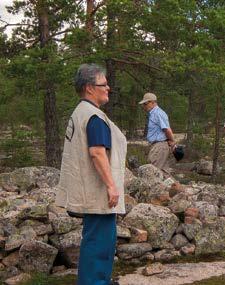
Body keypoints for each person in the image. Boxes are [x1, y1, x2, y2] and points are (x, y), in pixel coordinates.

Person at [57, 63, 127, 284]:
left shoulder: (80, 113)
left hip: (88, 190)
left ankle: (99, 280)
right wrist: (111, 185)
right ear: (89, 88)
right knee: (100, 243)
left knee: (94, 240)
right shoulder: (93, 117)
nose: (108, 88)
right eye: (103, 84)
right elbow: (97, 153)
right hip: (98, 193)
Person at [139, 92, 176, 174]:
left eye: (145, 104)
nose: (144, 106)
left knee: (154, 172)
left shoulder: (158, 113)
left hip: (159, 146)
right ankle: (172, 186)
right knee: (162, 172)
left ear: (152, 102)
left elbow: (167, 129)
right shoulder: (154, 113)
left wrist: (172, 141)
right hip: (157, 145)